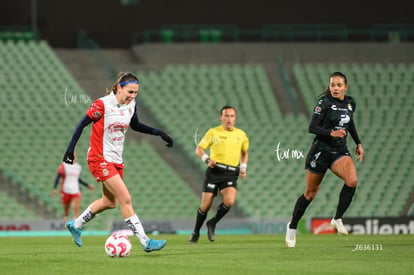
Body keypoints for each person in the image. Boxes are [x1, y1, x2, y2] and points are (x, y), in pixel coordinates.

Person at [62, 72, 174, 252]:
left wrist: (159, 133)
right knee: (126, 199)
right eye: (130, 92)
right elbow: (81, 124)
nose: (133, 96)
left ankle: (75, 225)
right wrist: (70, 150)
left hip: (115, 160)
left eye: (136, 92)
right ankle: (145, 242)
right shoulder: (102, 105)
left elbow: (135, 125)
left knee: (109, 202)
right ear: (119, 88)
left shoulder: (131, 104)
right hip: (99, 158)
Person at [285, 71, 364, 248]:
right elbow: (312, 127)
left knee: (352, 181)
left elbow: (350, 123)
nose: (335, 88)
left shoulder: (350, 103)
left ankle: (337, 218)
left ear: (345, 87)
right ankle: (292, 226)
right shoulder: (324, 103)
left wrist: (358, 142)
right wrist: (331, 132)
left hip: (339, 151)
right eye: (332, 85)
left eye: (339, 85)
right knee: (310, 194)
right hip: (320, 152)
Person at [189, 105, 249, 243]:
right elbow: (199, 149)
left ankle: (212, 223)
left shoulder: (241, 135)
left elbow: (244, 153)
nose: (229, 119)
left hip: (230, 173)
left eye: (232, 116)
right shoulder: (213, 132)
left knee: (229, 201)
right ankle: (196, 232)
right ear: (221, 117)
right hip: (214, 171)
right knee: (205, 206)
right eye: (226, 116)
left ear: (235, 118)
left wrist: (244, 167)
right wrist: (207, 159)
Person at [51, 152, 95, 223]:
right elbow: (58, 176)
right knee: (66, 211)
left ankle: (77, 224)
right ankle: (66, 218)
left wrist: (88, 186)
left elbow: (78, 179)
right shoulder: (64, 165)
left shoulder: (78, 167)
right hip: (66, 190)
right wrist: (54, 188)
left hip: (75, 190)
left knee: (76, 207)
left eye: (74, 156)